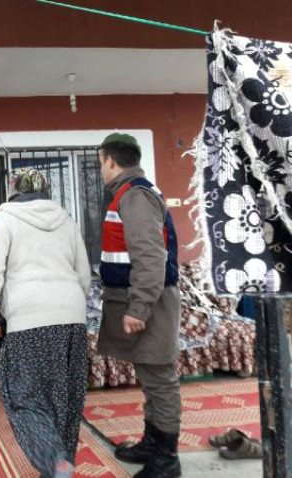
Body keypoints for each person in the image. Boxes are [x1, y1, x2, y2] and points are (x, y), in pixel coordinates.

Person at [0, 168, 91, 478]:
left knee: (24, 395)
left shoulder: (5, 219)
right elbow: (83, 275)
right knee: (66, 395)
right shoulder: (67, 220)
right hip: (71, 317)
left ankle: (54, 460)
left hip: (29, 319)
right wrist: (72, 307)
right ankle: (60, 462)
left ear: (13, 190)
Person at [97, 133, 181, 478]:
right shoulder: (132, 193)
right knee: (151, 375)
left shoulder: (135, 196)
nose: (102, 168)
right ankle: (153, 443)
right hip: (144, 299)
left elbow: (149, 256)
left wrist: (140, 307)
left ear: (111, 161)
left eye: (101, 161)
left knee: (160, 379)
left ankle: (166, 459)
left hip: (151, 302)